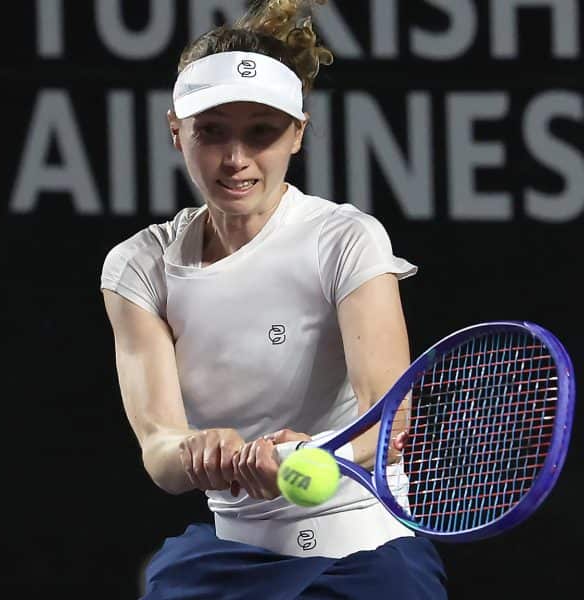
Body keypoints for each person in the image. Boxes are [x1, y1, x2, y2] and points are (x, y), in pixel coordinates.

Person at [100, 1, 447, 597]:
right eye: (212, 132)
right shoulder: (139, 266)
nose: (236, 159)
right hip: (231, 556)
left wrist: (310, 453)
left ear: (298, 134)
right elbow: (159, 451)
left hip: (368, 552)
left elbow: (388, 418)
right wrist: (198, 452)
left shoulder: (346, 239)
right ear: (176, 131)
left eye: (261, 132)